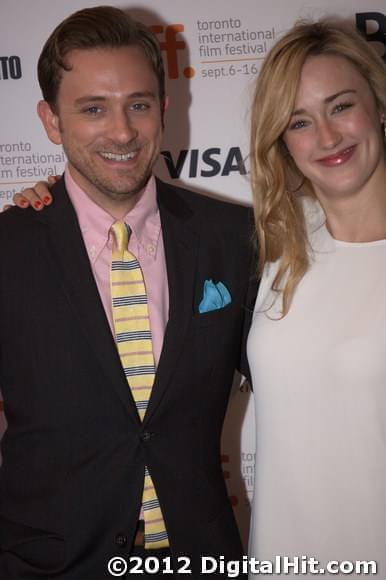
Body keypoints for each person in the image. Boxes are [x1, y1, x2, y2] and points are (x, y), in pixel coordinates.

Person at [0, 6, 257, 579]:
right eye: (93, 109)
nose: (121, 132)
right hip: (50, 565)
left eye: (138, 105)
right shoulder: (9, 249)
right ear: (50, 120)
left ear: (163, 109)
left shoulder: (234, 239)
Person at [247, 19, 386, 576]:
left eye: (340, 105)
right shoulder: (276, 244)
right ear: (281, 142)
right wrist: (50, 202)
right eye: (299, 121)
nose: (327, 138)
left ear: (378, 103)